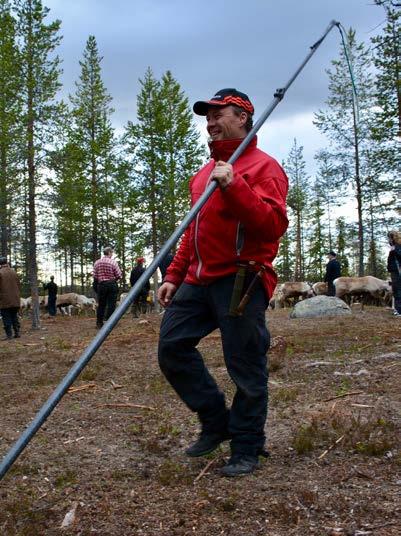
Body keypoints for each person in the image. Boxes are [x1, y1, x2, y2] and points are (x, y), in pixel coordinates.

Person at [157, 88, 288, 477]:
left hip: (243, 277)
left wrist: (234, 185)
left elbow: (271, 226)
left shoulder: (264, 168)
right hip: (197, 281)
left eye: (220, 115)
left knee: (244, 365)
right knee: (172, 349)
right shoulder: (204, 174)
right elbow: (192, 229)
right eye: (208, 117)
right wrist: (175, 276)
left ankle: (247, 445)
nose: (211, 123)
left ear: (244, 118)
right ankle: (216, 422)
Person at [93, 246, 122, 328]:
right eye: (111, 252)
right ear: (109, 253)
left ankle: (99, 323)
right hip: (111, 284)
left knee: (101, 304)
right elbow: (119, 275)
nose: (112, 254)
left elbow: (95, 275)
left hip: (101, 285)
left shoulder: (97, 262)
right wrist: (113, 279)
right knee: (111, 304)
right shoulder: (113, 262)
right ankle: (110, 323)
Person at [0, 256, 21, 340]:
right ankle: (17, 333)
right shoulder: (14, 272)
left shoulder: (0, 272)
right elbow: (19, 285)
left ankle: (9, 335)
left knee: (6, 317)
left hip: (5, 299)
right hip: (15, 299)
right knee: (14, 316)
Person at [387, 230, 401, 317]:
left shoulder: (398, 247)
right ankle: (398, 309)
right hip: (394, 270)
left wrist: (394, 250)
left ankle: (399, 310)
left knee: (398, 290)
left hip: (398, 271)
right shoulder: (395, 247)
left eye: (390, 238)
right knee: (396, 290)